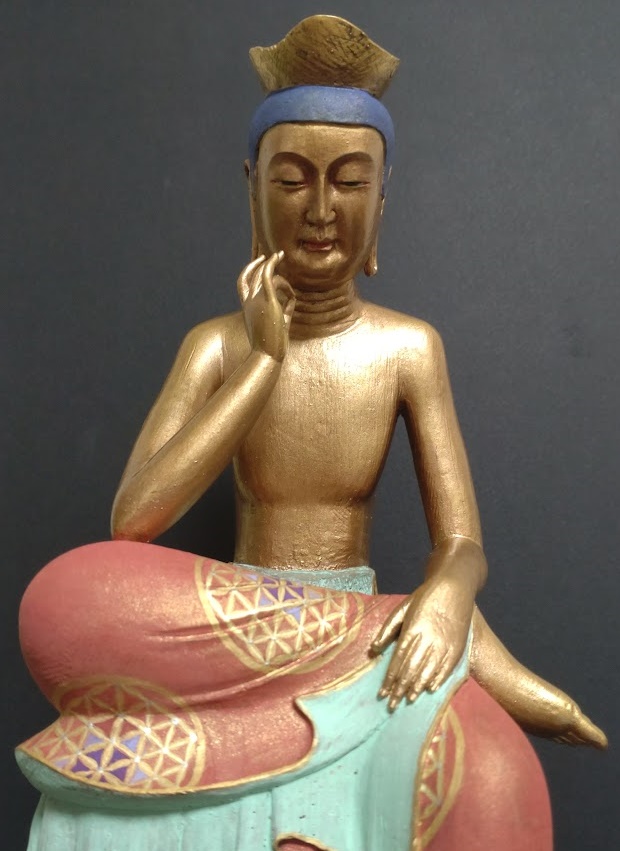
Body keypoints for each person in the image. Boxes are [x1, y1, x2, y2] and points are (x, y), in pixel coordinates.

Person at [17, 15, 605, 851]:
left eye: (350, 182)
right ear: (252, 190)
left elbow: (462, 543)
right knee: (62, 597)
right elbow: (133, 519)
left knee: (495, 776)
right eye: (292, 180)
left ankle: (385, 628)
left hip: (337, 607)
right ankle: (382, 626)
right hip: (234, 630)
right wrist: (262, 361)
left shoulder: (408, 349)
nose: (322, 210)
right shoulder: (216, 347)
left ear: (382, 196)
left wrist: (450, 594)